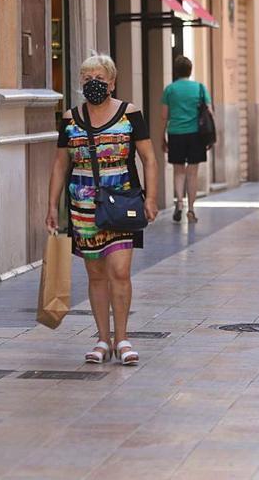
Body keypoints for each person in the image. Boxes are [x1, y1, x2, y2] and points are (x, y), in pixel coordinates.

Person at [47, 54, 159, 365]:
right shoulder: (70, 118)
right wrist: (52, 205)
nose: (93, 83)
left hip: (122, 202)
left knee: (120, 272)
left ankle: (122, 338)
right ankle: (102, 339)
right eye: (87, 79)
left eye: (99, 78)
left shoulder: (129, 113)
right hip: (82, 207)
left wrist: (151, 198)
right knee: (96, 275)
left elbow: (149, 158)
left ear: (112, 81)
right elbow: (60, 164)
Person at [161, 55, 213, 223]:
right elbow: (209, 112)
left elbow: (164, 116)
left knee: (178, 171)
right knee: (192, 173)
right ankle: (191, 209)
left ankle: (179, 203)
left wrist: (162, 136)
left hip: (176, 133)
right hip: (196, 135)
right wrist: (210, 136)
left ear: (175, 71)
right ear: (190, 70)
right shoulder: (200, 88)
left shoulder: (170, 89)